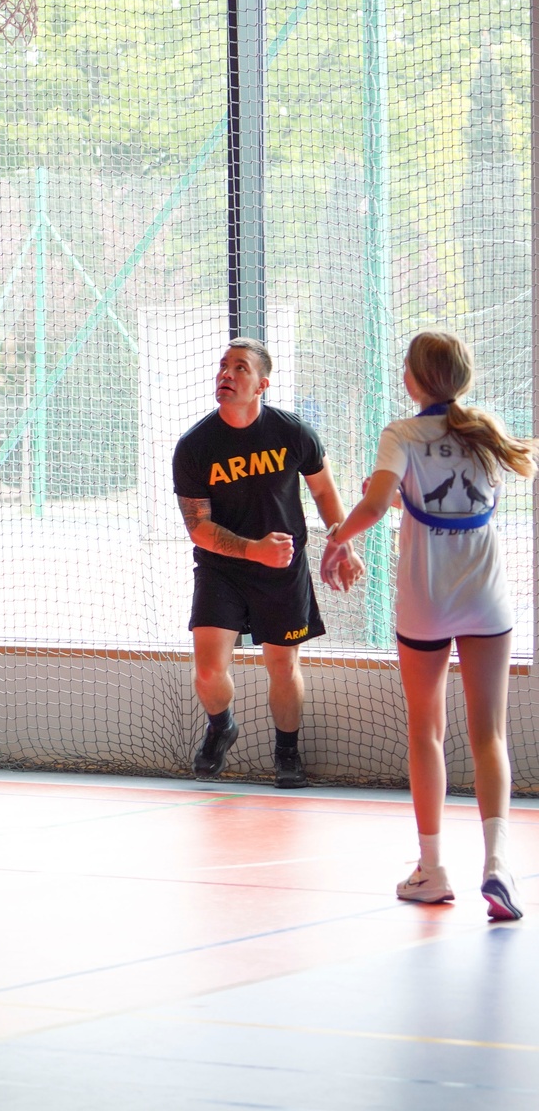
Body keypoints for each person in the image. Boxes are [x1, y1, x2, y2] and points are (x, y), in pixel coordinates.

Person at [320, 330, 535, 919]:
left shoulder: (403, 434)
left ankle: (432, 868)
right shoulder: (486, 433)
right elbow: (454, 503)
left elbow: (372, 504)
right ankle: (498, 866)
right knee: (489, 734)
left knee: (427, 731)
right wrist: (395, 500)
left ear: (413, 379)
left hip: (426, 601)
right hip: (487, 600)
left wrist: (338, 540)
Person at [172, 338, 363, 787]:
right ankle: (221, 726)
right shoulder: (194, 446)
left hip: (282, 569)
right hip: (223, 568)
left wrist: (344, 542)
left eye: (240, 368)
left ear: (262, 384)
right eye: (223, 366)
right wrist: (253, 549)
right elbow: (198, 527)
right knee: (208, 670)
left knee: (282, 665)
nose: (227, 374)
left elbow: (324, 492)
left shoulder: (293, 432)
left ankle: (287, 754)